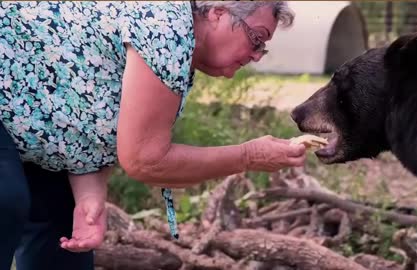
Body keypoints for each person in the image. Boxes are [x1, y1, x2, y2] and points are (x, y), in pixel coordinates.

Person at [0, 1, 305, 270]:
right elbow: (146, 159)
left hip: (27, 127)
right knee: (6, 199)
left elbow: (90, 118)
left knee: (64, 243)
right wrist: (249, 155)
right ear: (218, 13)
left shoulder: (178, 51)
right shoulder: (168, 27)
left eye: (261, 48)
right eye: (257, 39)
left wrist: (90, 195)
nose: (256, 55)